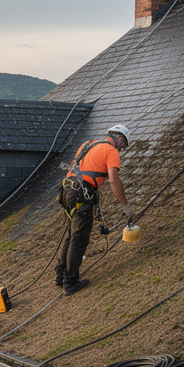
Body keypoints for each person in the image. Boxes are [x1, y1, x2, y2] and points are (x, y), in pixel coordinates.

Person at [56, 125, 135, 296]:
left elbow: (80, 168)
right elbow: (113, 180)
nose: (121, 149)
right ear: (119, 139)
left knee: (71, 234)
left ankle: (60, 275)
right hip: (80, 196)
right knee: (79, 238)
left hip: (67, 191)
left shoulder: (87, 144)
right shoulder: (111, 151)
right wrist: (125, 205)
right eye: (123, 145)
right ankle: (70, 282)